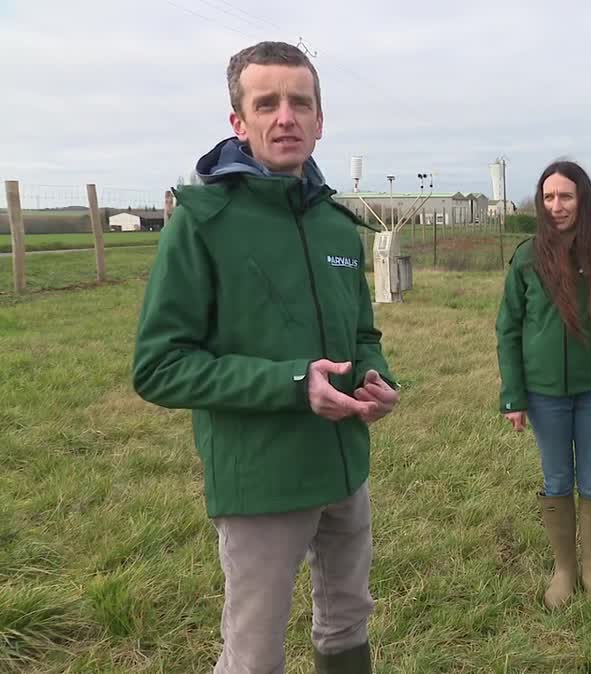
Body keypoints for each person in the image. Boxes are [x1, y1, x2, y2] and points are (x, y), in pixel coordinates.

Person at [131, 41, 396, 674]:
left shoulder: (336, 225)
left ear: (320, 120)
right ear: (238, 122)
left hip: (344, 468)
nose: (286, 117)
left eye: (300, 103)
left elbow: (362, 332)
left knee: (348, 622)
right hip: (260, 482)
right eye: (267, 103)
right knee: (254, 653)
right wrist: (293, 383)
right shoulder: (203, 222)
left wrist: (376, 375)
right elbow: (159, 366)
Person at [494, 160, 591, 609]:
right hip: (544, 394)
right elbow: (509, 329)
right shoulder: (526, 257)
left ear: (583, 199)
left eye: (566, 196)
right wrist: (513, 396)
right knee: (557, 477)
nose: (556, 206)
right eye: (548, 197)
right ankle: (564, 571)